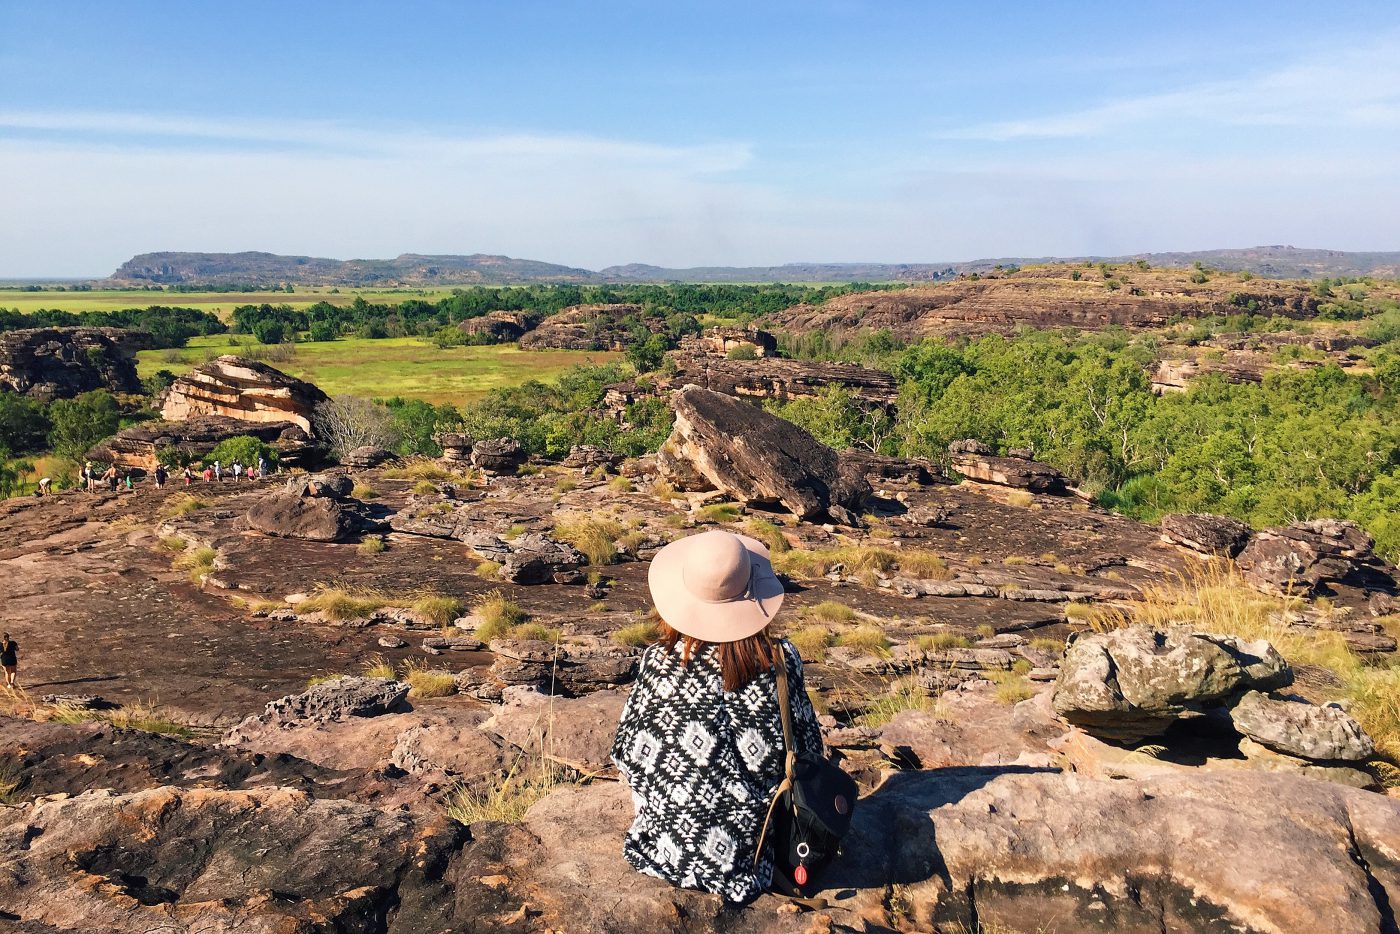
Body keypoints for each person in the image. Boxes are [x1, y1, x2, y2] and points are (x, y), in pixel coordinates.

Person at [611, 530, 823, 905]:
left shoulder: (657, 664)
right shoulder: (781, 662)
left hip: (664, 853)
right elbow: (810, 753)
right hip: (754, 859)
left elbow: (626, 755)